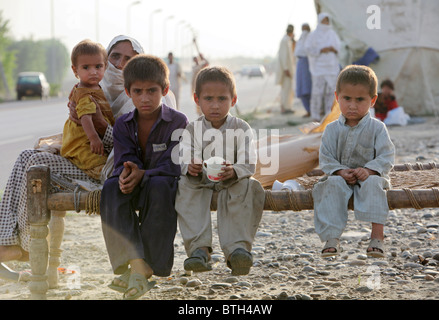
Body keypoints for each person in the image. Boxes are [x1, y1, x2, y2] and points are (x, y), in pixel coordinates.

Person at [0, 35, 153, 281]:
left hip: (107, 171)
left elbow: (135, 148)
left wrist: (101, 127)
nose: (120, 63)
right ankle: (8, 240)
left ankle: (23, 247)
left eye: (129, 58)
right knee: (26, 156)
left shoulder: (141, 93)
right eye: (115, 56)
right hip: (84, 161)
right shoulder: (94, 88)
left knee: (34, 164)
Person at [100, 54, 189, 300]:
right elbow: (123, 158)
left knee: (160, 185)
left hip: (162, 183)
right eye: (137, 91)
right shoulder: (123, 124)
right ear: (128, 92)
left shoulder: (178, 121)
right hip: (137, 183)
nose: (145, 98)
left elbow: (174, 164)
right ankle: (137, 263)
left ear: (165, 89)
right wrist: (126, 175)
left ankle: (148, 265)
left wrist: (144, 174)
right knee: (111, 188)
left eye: (152, 91)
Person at [175, 66, 265, 276]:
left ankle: (237, 250)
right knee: (184, 185)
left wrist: (234, 170)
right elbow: (185, 153)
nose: (215, 105)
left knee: (250, 185)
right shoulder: (192, 129)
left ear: (233, 100)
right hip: (201, 181)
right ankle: (199, 250)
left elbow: (249, 160)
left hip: (232, 181)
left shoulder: (241, 128)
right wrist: (191, 165)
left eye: (222, 99)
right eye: (208, 99)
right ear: (197, 100)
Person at [312, 65, 395, 259]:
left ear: (372, 100)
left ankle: (377, 237)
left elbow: (386, 156)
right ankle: (332, 239)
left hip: (369, 177)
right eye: (347, 99)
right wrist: (339, 171)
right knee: (330, 185)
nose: (352, 105)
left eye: (360, 100)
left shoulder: (378, 128)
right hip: (340, 177)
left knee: (375, 185)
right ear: (337, 97)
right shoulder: (331, 130)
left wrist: (370, 170)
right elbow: (326, 158)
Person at [61, 39, 115, 181]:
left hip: (89, 138)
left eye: (98, 66)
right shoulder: (85, 93)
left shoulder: (94, 87)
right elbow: (85, 117)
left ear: (105, 66)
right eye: (86, 67)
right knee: (97, 164)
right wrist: (94, 138)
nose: (93, 72)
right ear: (75, 70)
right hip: (82, 142)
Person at [305, 12, 341, 122]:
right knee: (317, 92)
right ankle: (315, 115)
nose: (326, 23)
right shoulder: (313, 35)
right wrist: (321, 50)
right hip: (318, 68)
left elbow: (339, 49)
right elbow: (308, 49)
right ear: (320, 21)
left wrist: (333, 49)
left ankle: (328, 115)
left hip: (331, 67)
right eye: (324, 21)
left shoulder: (333, 34)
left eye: (327, 20)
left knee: (331, 92)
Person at [275, 24, 296, 114]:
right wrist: (286, 69)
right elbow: (283, 56)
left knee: (288, 89)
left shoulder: (288, 40)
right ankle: (285, 108)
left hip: (289, 69)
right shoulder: (284, 41)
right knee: (286, 89)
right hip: (286, 70)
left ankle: (287, 106)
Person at [294, 23, 312, 117]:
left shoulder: (311, 38)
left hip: (308, 63)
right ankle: (308, 110)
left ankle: (312, 110)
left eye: (306, 29)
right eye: (303, 29)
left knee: (308, 88)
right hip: (300, 63)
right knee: (302, 87)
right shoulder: (300, 39)